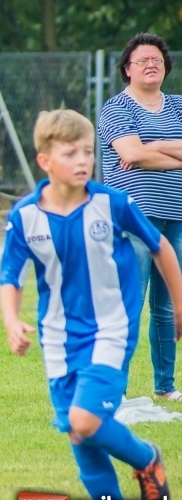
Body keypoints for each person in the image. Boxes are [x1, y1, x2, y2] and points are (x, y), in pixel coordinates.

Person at [0, 109, 182, 500]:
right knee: (78, 436)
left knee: (85, 420)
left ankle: (146, 458)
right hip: (59, 338)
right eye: (71, 153)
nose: (83, 160)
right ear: (45, 161)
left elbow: (161, 248)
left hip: (112, 330)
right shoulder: (25, 215)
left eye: (88, 151)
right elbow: (11, 275)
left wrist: (179, 303)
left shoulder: (111, 203)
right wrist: (11, 319)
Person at [97, 32, 182, 401]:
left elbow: (142, 154)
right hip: (132, 219)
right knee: (128, 304)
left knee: (166, 307)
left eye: (158, 60)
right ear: (127, 69)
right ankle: (117, 390)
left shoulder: (178, 107)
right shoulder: (116, 108)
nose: (151, 64)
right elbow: (132, 153)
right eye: (143, 59)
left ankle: (165, 387)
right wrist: (153, 152)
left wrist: (155, 146)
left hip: (176, 216)